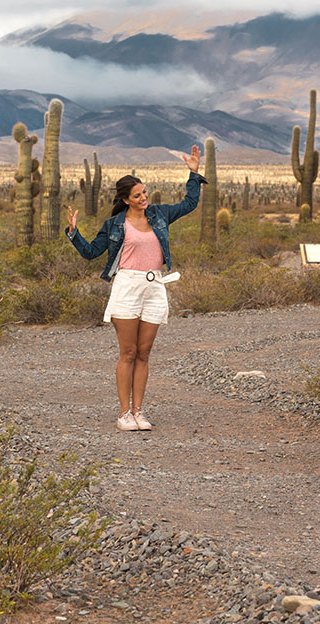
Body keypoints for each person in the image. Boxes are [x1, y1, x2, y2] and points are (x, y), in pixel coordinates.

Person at [65, 145, 204, 432]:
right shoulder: (115, 224)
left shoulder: (160, 215)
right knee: (127, 352)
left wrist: (193, 173)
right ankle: (124, 413)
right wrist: (73, 233)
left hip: (155, 286)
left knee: (144, 353)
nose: (144, 198)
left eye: (144, 193)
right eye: (138, 195)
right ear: (126, 200)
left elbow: (189, 204)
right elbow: (91, 252)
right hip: (127, 286)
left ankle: (139, 411)